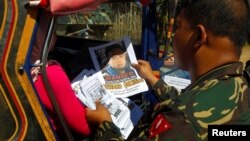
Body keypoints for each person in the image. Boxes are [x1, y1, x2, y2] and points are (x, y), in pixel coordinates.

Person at [85, 0, 250, 140]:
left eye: (178, 26)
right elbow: (193, 102)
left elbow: (188, 113)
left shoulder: (182, 120)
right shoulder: (239, 88)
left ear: (199, 36)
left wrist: (104, 124)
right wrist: (153, 79)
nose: (173, 36)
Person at [31, 11, 91, 140]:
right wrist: (102, 115)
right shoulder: (49, 73)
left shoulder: (27, 69)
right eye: (52, 31)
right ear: (42, 34)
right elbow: (83, 127)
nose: (55, 37)